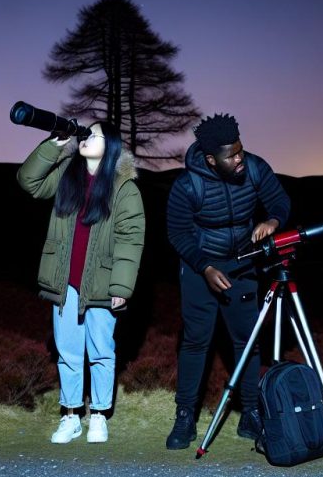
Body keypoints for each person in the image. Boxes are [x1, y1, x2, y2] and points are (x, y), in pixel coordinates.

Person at [165, 113, 290, 450]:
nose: (239, 159)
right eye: (231, 156)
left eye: (240, 150)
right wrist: (204, 267)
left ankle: (250, 412)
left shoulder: (255, 168)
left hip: (243, 265)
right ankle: (185, 416)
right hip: (198, 267)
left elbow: (280, 200)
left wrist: (273, 220)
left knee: (247, 342)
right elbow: (177, 233)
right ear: (210, 159)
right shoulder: (187, 185)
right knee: (195, 342)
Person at [17, 122, 145, 444]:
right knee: (68, 352)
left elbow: (131, 240)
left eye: (95, 134)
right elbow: (28, 181)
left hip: (101, 285)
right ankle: (71, 416)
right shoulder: (66, 176)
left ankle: (99, 415)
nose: (86, 137)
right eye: (85, 132)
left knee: (101, 351)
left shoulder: (124, 188)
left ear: (111, 145)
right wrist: (54, 145)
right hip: (65, 284)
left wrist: (121, 287)